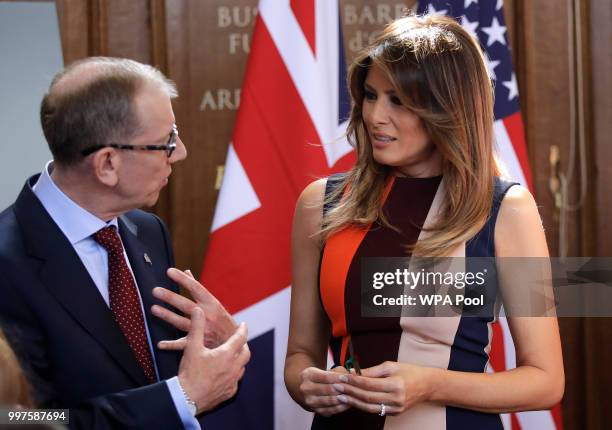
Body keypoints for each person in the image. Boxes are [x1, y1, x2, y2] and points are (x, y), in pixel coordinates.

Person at [285, 15, 564, 429]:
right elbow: (299, 356)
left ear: (447, 109)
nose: (375, 116)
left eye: (399, 100)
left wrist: (430, 385)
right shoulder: (320, 203)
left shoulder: (508, 210)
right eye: (370, 95)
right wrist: (306, 384)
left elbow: (545, 382)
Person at [0, 57, 250, 430]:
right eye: (165, 142)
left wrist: (218, 355)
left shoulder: (147, 230)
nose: (180, 152)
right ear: (107, 165)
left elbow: (175, 383)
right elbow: (24, 421)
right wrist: (181, 397)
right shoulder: (8, 264)